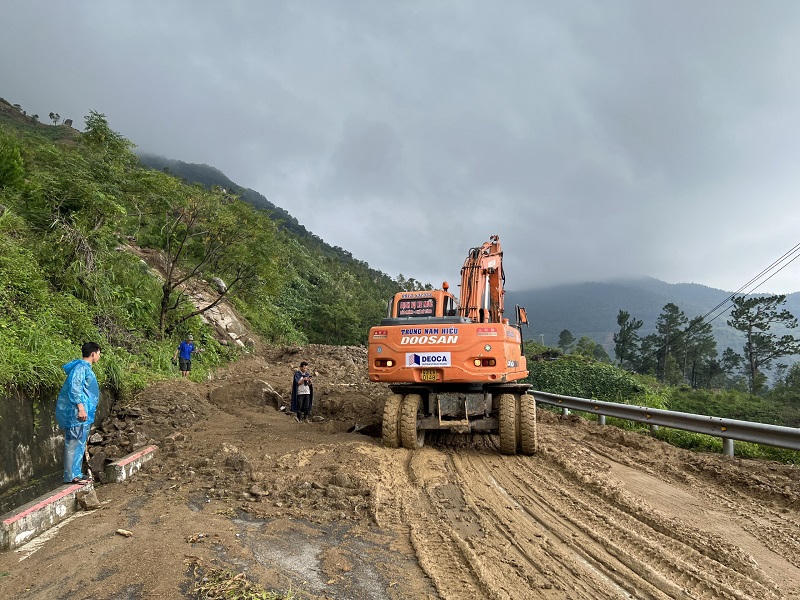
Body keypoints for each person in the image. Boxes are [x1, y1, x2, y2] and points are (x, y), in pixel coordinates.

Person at [55, 342, 101, 484]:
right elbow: (75, 389)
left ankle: (76, 473)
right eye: (99, 354)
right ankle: (71, 476)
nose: (99, 357)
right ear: (93, 354)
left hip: (82, 413)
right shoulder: (81, 368)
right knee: (74, 443)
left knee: (78, 442)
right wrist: (81, 408)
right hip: (78, 413)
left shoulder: (83, 368)